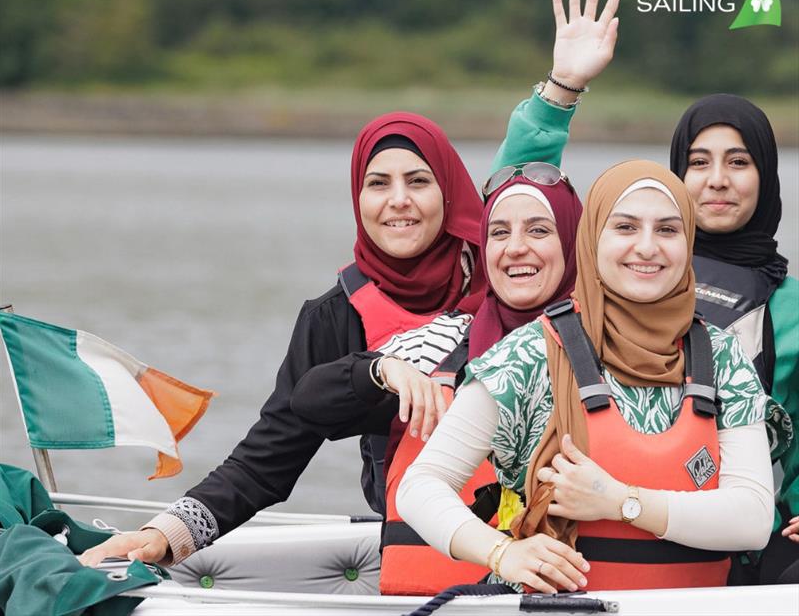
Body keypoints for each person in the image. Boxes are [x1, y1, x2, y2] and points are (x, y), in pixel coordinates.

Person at [80, 110, 488, 567]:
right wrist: (164, 535)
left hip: (535, 544)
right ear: (358, 198)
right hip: (419, 558)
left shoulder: (507, 280)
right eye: (378, 184)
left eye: (418, 182)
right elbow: (268, 459)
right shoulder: (334, 316)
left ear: (449, 192)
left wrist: (561, 88)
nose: (398, 200)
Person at [397, 160, 791, 593]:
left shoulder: (722, 356)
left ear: (689, 242)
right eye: (624, 228)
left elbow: (752, 519)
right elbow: (420, 486)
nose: (646, 247)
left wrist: (620, 501)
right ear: (591, 240)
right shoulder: (530, 355)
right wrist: (502, 552)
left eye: (667, 230)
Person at [293, 167, 582, 595]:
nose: (516, 248)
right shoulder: (444, 340)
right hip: (440, 599)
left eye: (539, 230)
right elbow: (307, 401)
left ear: (575, 242)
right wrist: (381, 370)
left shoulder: (613, 351)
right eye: (499, 233)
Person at [670, 95, 799, 584]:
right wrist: (561, 92)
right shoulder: (624, 278)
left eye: (738, 162)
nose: (717, 179)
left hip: (746, 548)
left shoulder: (791, 306)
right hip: (628, 522)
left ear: (765, 175)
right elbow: (522, 206)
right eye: (698, 162)